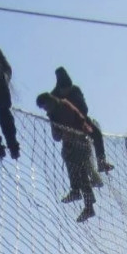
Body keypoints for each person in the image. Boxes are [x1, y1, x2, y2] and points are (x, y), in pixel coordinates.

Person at [36, 91, 97, 222]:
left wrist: (63, 132)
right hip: (75, 145)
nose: (45, 109)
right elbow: (57, 136)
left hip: (80, 142)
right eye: (43, 108)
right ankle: (86, 203)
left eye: (45, 106)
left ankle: (78, 194)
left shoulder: (62, 107)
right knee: (79, 172)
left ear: (50, 101)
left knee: (80, 173)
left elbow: (71, 125)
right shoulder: (54, 113)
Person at [52, 66, 113, 174]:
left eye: (68, 89)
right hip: (64, 124)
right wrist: (59, 131)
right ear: (59, 88)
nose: (66, 91)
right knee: (69, 148)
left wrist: (81, 122)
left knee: (97, 134)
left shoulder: (75, 90)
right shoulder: (54, 96)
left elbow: (84, 109)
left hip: (80, 119)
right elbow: (52, 116)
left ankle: (101, 162)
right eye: (64, 90)